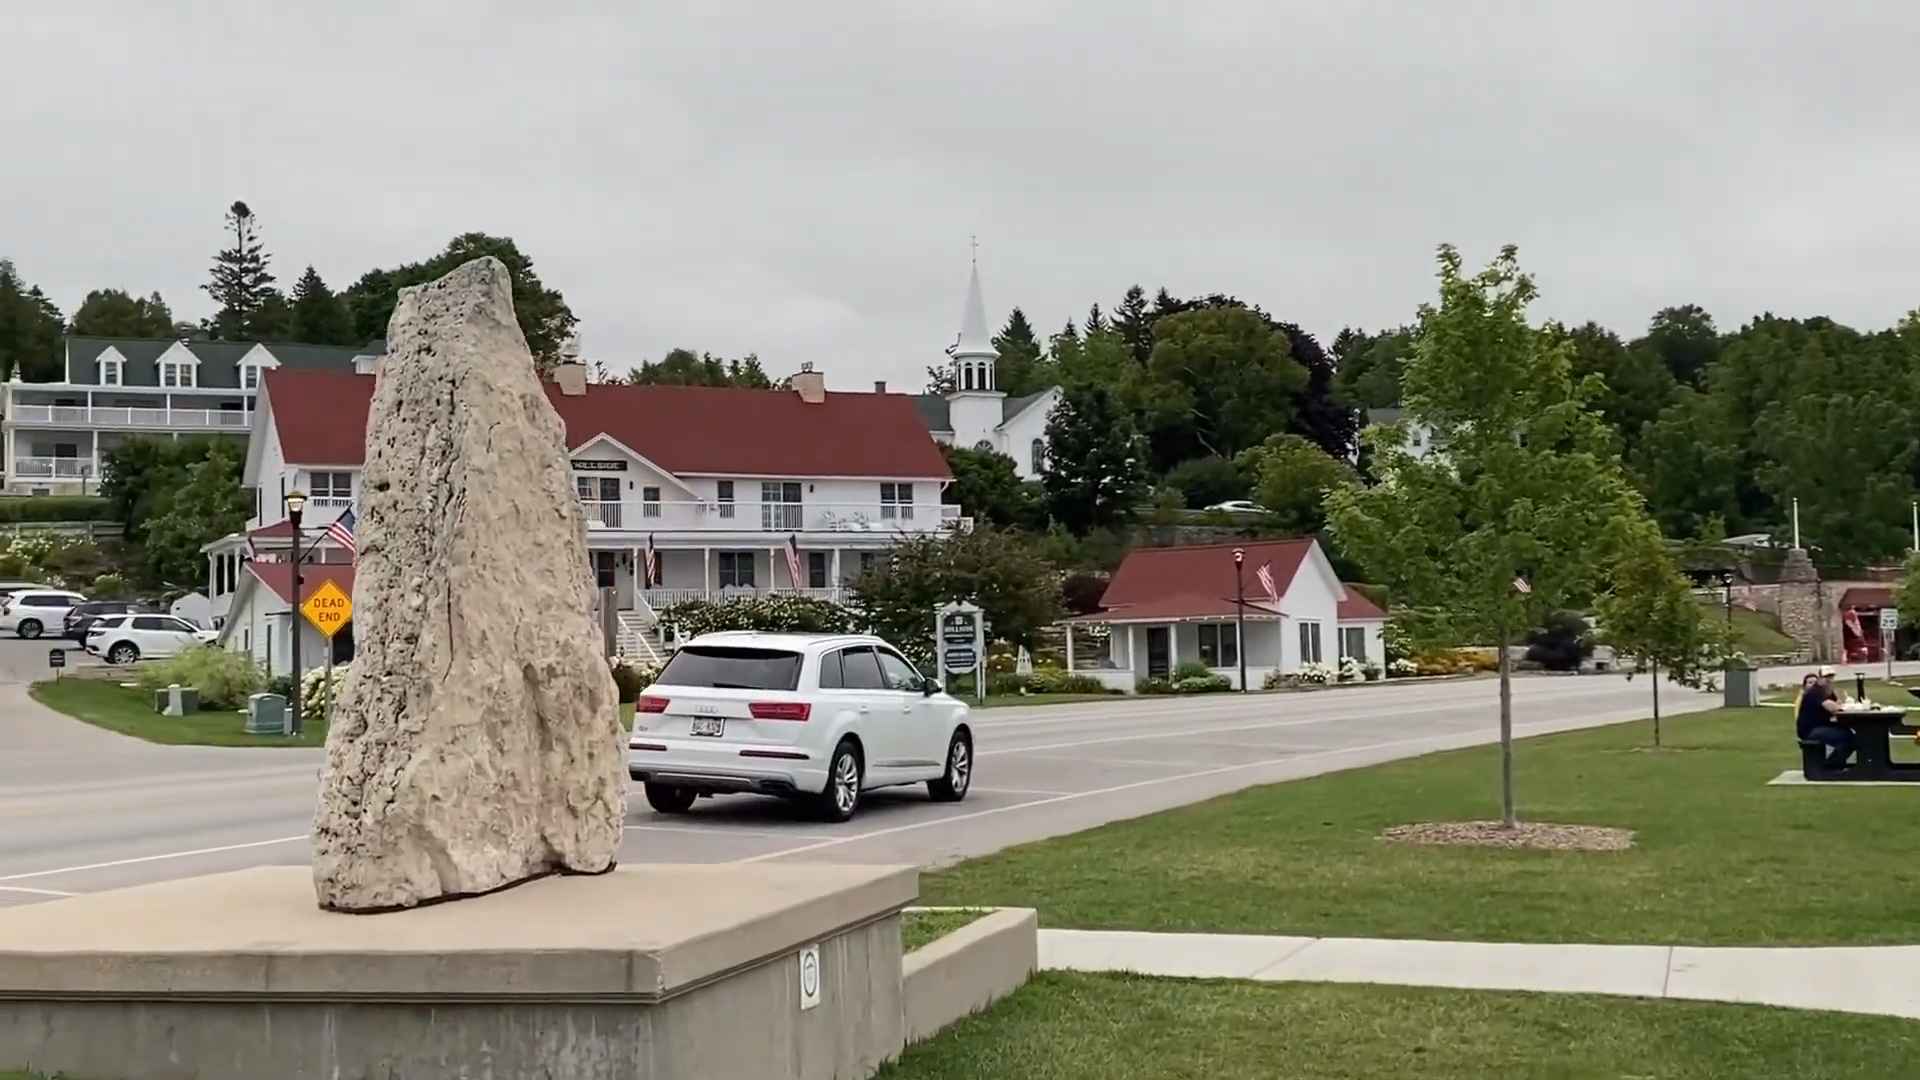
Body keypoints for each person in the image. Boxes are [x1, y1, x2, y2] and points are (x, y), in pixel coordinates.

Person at [1797, 665, 1855, 770]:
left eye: (1831, 677)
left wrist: (1841, 705)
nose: (1829, 680)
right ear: (1819, 679)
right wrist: (1843, 707)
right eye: (1826, 677)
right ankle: (1831, 767)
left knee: (1849, 734)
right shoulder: (1816, 691)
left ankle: (1834, 764)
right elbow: (1832, 707)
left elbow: (1837, 704)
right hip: (1810, 730)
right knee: (1847, 738)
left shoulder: (1827, 691)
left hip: (1820, 726)